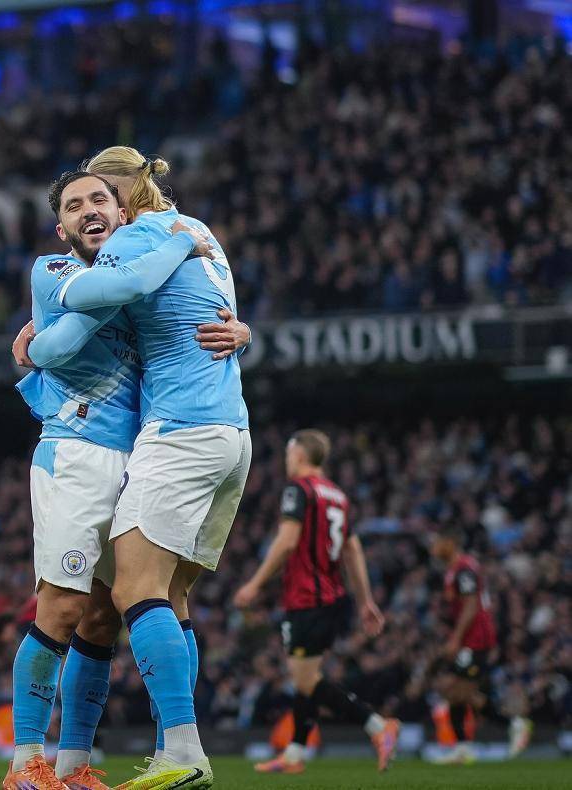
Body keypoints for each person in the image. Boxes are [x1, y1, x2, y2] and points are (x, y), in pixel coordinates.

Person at [26, 146, 252, 789]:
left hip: (178, 432)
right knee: (169, 598)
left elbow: (98, 307)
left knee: (132, 591)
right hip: (231, 431)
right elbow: (209, 316)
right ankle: (156, 752)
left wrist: (35, 343)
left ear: (124, 199)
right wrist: (246, 334)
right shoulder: (201, 231)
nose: (99, 212)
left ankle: (182, 751)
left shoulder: (139, 239)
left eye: (103, 197)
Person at [233, 430, 400, 774]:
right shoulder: (337, 496)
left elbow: (287, 541)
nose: (286, 460)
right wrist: (365, 600)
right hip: (332, 597)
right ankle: (295, 753)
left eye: (288, 454)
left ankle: (377, 725)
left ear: (298, 454)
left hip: (307, 598)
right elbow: (353, 549)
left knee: (306, 679)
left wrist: (255, 583)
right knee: (306, 676)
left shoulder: (298, 490)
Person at [429, 527, 532, 764]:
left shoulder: (464, 569)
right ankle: (464, 747)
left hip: (476, 640)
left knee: (453, 688)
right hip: (469, 638)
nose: (433, 548)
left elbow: (471, 605)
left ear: (451, 542)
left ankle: (514, 725)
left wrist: (455, 639)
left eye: (438, 542)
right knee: (455, 693)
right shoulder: (455, 569)